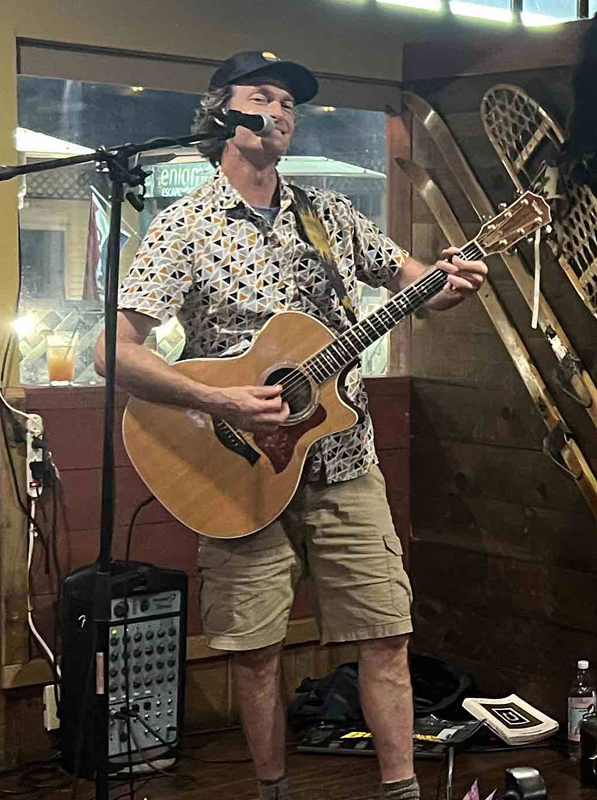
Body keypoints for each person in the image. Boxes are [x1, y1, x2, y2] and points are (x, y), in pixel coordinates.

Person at [95, 51, 487, 800]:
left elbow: (418, 287)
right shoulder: (186, 226)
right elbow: (115, 350)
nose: (280, 112)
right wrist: (222, 403)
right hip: (234, 466)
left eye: (289, 103)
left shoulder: (330, 214)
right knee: (254, 650)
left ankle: (401, 790)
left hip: (344, 459)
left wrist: (452, 281)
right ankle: (274, 791)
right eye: (263, 98)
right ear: (223, 114)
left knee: (388, 634)